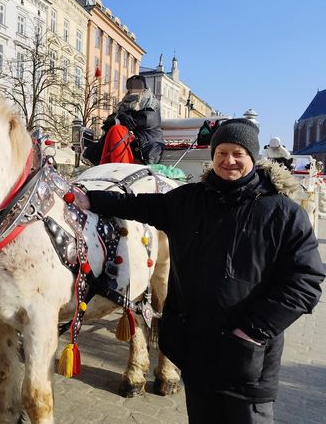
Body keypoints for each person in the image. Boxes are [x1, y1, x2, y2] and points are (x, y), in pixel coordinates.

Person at [73, 118, 324, 423]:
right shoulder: (189, 200)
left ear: (253, 159)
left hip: (246, 360)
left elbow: (306, 282)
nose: (228, 161)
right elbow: (138, 205)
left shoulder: (282, 213)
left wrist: (253, 332)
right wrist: (91, 199)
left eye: (237, 154)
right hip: (195, 351)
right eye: (221, 153)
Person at [98, 74, 164, 165]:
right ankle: (107, 165)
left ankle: (118, 166)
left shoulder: (151, 103)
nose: (134, 89)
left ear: (144, 87)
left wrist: (121, 119)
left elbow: (146, 120)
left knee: (117, 130)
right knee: (114, 131)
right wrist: (118, 119)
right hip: (131, 139)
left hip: (148, 142)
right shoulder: (123, 104)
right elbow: (109, 121)